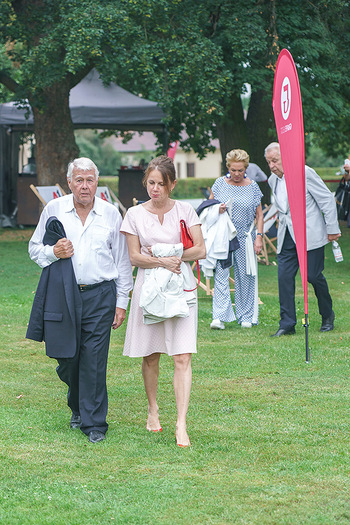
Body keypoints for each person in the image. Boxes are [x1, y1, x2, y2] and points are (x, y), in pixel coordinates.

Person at [26, 157, 133, 443]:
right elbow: (35, 249)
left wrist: (122, 301)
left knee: (94, 360)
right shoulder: (54, 209)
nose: (85, 186)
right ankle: (77, 404)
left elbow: (122, 261)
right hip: (63, 295)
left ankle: (94, 423)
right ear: (70, 182)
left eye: (90, 180)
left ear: (97, 182)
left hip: (101, 295)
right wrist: (54, 252)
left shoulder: (111, 214)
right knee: (68, 357)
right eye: (79, 180)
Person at [120, 155, 206, 448]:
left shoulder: (186, 210)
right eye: (151, 183)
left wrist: (176, 257)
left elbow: (201, 249)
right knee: (151, 354)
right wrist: (162, 259)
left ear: (173, 184)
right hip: (150, 288)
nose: (155, 189)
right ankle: (153, 408)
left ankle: (181, 423)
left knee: (182, 356)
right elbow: (134, 257)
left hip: (180, 286)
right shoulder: (133, 214)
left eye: (161, 184)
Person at [265, 142, 341, 336]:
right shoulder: (273, 180)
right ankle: (287, 324)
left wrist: (332, 228)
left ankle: (327, 315)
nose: (272, 166)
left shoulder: (305, 172)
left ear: (286, 157)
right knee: (284, 278)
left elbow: (326, 199)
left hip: (309, 233)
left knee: (313, 276)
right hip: (286, 236)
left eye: (275, 161)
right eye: (269, 162)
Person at [209, 149, 264, 329]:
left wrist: (259, 237)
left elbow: (259, 215)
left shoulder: (253, 186)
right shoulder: (219, 184)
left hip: (245, 236)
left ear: (246, 168)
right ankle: (219, 316)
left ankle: (246, 316)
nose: (237, 174)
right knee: (222, 274)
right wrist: (218, 209)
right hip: (224, 235)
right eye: (233, 170)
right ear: (228, 167)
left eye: (240, 170)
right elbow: (208, 208)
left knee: (245, 275)